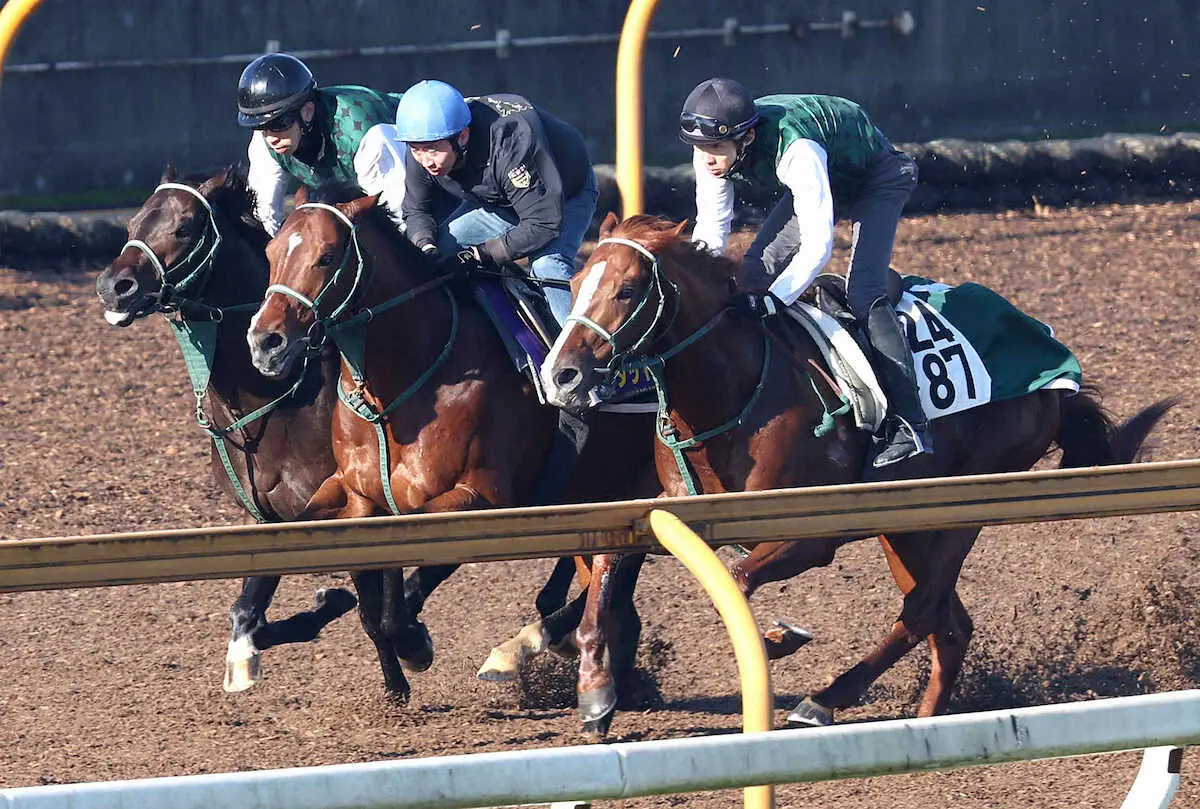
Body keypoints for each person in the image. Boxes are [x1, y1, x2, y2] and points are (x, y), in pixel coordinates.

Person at [680, 77, 931, 468]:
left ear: (746, 139)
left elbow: (818, 246)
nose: (706, 158)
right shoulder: (712, 150)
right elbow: (712, 230)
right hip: (828, 175)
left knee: (863, 291)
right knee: (748, 278)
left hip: (878, 175)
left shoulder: (797, 150)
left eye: (715, 149)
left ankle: (909, 423)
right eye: (700, 148)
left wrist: (775, 300)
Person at [394, 79, 598, 328]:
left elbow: (544, 223)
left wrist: (481, 254)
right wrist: (425, 246)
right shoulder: (424, 143)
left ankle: (590, 358)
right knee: (440, 254)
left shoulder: (511, 141)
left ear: (463, 136)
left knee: (547, 267)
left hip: (564, 196)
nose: (426, 161)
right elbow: (416, 209)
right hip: (501, 200)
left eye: (434, 150)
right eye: (417, 150)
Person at [236, 52, 408, 235]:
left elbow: (398, 219)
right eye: (261, 126)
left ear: (307, 112)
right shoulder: (265, 142)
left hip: (429, 161)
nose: (271, 137)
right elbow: (264, 215)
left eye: (279, 123)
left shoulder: (367, 137)